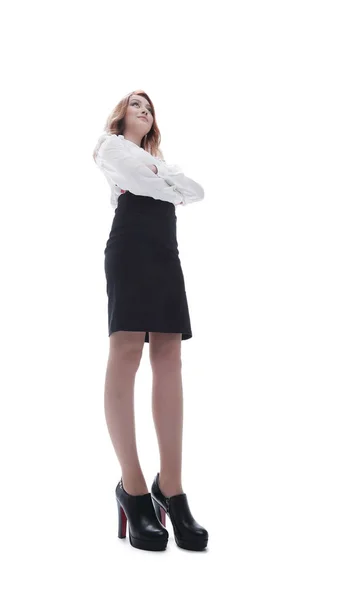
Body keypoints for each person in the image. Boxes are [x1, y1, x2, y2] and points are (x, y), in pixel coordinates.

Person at [93, 90, 208, 552]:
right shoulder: (110, 146)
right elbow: (149, 183)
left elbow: (196, 191)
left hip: (165, 253)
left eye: (150, 108)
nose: (144, 110)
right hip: (129, 248)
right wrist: (167, 180)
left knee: (170, 357)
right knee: (125, 352)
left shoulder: (151, 159)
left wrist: (159, 174)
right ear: (121, 115)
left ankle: (172, 489)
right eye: (136, 105)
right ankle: (133, 487)